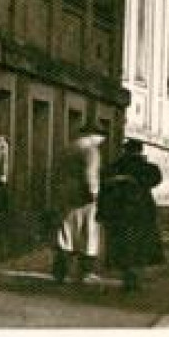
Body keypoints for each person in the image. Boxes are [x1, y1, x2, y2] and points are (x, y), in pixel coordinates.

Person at [98, 138, 165, 292]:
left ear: (125, 150)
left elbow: (105, 189)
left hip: (119, 213)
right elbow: (155, 179)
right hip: (140, 213)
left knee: (123, 245)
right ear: (139, 151)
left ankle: (128, 277)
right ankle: (134, 278)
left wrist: (102, 212)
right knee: (139, 246)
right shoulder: (147, 168)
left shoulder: (115, 167)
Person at [51, 122, 104, 284]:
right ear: (93, 135)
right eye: (101, 137)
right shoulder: (90, 150)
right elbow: (90, 175)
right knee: (88, 235)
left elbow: (55, 172)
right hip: (84, 200)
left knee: (65, 235)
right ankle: (85, 273)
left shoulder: (67, 148)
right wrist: (95, 195)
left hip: (65, 197)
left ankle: (60, 272)